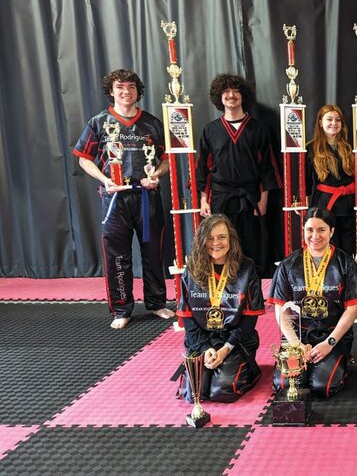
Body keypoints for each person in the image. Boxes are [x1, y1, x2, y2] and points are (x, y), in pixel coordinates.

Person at [72, 68, 174, 329]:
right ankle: (121, 308)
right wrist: (105, 180)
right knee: (117, 254)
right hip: (115, 199)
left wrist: (157, 176)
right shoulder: (99, 122)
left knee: (153, 252)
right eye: (120, 87)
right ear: (111, 90)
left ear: (138, 91)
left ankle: (156, 303)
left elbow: (166, 160)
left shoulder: (151, 123)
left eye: (131, 87)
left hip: (146, 197)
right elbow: (84, 159)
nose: (125, 91)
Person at [268, 208, 357, 398]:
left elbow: (352, 309)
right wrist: (296, 345)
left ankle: (340, 362)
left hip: (331, 335)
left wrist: (329, 343)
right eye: (309, 230)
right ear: (303, 231)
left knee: (323, 387)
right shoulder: (289, 264)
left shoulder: (346, 264)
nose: (315, 236)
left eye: (321, 230)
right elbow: (281, 308)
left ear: (332, 231)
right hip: (297, 336)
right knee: (285, 385)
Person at [197, 74, 280, 275]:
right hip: (220, 198)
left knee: (251, 245)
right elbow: (203, 169)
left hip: (250, 199)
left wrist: (263, 200)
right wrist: (204, 199)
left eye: (236, 91)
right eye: (226, 92)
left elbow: (267, 168)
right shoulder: (210, 130)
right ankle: (222, 289)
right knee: (220, 243)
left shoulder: (258, 129)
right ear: (219, 97)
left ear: (244, 96)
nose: (231, 96)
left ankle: (251, 289)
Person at [176, 214, 264, 403]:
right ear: (202, 241)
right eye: (210, 237)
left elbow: (249, 321)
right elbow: (188, 319)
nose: (216, 243)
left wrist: (225, 349)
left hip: (235, 342)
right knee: (193, 393)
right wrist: (205, 348)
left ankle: (250, 371)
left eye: (222, 237)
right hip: (202, 341)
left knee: (222, 391)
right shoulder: (191, 269)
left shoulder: (246, 267)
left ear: (231, 239)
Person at [306, 104, 357, 257]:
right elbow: (305, 182)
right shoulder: (311, 149)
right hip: (324, 204)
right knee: (325, 246)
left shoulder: (351, 148)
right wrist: (304, 206)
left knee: (348, 246)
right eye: (329, 119)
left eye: (338, 120)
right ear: (320, 122)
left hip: (348, 204)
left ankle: (346, 280)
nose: (334, 123)